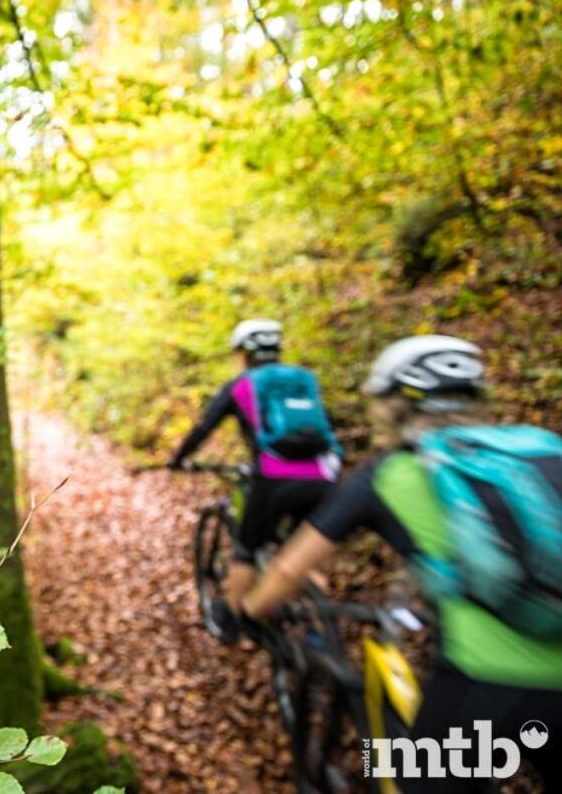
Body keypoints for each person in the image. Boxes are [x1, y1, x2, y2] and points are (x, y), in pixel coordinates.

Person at [242, 335, 562, 791]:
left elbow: (291, 569)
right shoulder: (540, 447)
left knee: (415, 777)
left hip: (488, 686)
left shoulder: (391, 472)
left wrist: (253, 610)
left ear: (393, 405)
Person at [169, 319, 341, 635]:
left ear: (244, 353)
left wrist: (178, 459)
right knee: (304, 549)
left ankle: (234, 621)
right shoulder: (303, 380)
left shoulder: (242, 385)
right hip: (323, 477)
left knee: (246, 548)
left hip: (275, 477)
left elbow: (204, 427)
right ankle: (321, 628)